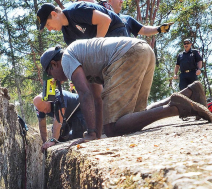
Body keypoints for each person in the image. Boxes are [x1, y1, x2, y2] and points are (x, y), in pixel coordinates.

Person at [39, 40, 211, 144]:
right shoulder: (81, 58)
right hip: (143, 51)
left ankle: (177, 109)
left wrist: (91, 134)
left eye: (51, 74)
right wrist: (97, 134)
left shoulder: (67, 58)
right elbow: (97, 99)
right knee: (135, 117)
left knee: (113, 128)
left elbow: (85, 95)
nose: (56, 79)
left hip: (128, 55)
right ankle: (190, 92)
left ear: (54, 64)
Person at [76, 0, 172, 38]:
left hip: (127, 53)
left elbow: (144, 30)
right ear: (109, 1)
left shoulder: (127, 19)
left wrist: (159, 29)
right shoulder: (99, 13)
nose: (121, 1)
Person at [36, 1, 128, 46]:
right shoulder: (67, 33)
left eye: (48, 24)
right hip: (105, 40)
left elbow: (105, 20)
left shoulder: (75, 11)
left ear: (54, 14)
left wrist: (94, 47)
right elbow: (75, 54)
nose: (49, 29)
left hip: (116, 31)